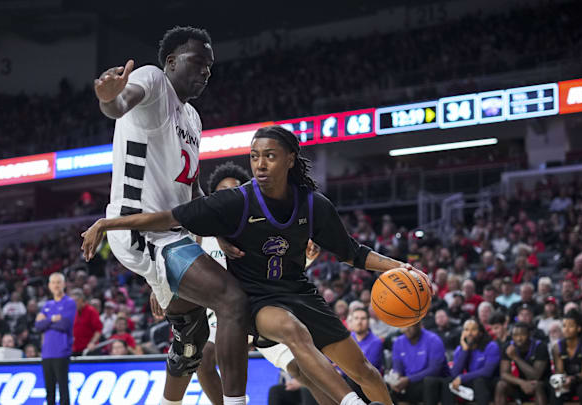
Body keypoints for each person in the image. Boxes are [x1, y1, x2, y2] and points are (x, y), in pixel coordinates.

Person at [81, 125, 434, 405]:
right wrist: (108, 223)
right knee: (290, 335)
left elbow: (352, 252)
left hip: (299, 292)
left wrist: (397, 266)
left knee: (367, 373)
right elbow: (168, 218)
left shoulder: (314, 205)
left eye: (270, 156)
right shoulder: (235, 202)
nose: (260, 164)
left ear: (291, 159)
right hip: (256, 300)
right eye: (254, 157)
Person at [94, 25, 250, 405]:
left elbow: (192, 190)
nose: (206, 72)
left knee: (192, 339)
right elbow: (120, 103)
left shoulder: (193, 119)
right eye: (198, 62)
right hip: (139, 229)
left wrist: (214, 231)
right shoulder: (152, 79)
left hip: (172, 234)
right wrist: (107, 98)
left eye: (210, 67)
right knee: (232, 300)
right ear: (171, 61)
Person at [185, 162, 332, 405]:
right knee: (203, 359)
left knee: (299, 370)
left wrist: (304, 259)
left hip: (258, 304)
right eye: (222, 191)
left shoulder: (257, 228)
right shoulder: (203, 233)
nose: (228, 195)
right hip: (223, 313)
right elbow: (182, 267)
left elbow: (275, 269)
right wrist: (161, 293)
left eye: (234, 190)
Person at [424, 318, 500, 405]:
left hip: (489, 382)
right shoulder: (461, 349)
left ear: (480, 332)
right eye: (466, 330)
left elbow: (487, 372)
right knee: (448, 381)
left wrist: (462, 378)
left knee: (479, 381)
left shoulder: (491, 346)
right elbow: (454, 374)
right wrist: (465, 350)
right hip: (471, 382)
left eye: (473, 329)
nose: (470, 333)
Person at [36, 273, 76, 405]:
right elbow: (38, 326)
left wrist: (46, 321)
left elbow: (65, 324)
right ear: (49, 286)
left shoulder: (69, 303)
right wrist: (53, 319)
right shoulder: (47, 305)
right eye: (53, 282)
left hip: (61, 351)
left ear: (64, 284)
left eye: (58, 282)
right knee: (49, 391)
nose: (56, 285)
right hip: (46, 353)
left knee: (63, 390)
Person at [389, 321, 449, 405]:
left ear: (419, 324)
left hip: (429, 383)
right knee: (386, 387)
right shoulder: (398, 342)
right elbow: (397, 367)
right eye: (404, 326)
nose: (406, 329)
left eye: (410, 326)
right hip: (408, 384)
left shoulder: (434, 339)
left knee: (429, 382)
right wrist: (395, 379)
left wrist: (409, 379)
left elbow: (434, 370)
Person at [549, 309, 582, 405]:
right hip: (568, 381)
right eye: (564, 326)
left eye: (571, 326)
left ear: (579, 328)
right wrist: (561, 381)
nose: (566, 329)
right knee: (555, 387)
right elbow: (559, 371)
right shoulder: (557, 347)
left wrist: (572, 380)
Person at [494, 322, 550, 405]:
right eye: (515, 335)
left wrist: (515, 357)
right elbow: (504, 374)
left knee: (537, 385)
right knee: (501, 385)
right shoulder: (508, 346)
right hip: (520, 384)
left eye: (522, 335)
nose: (518, 338)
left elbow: (536, 376)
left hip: (542, 384)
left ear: (529, 334)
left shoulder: (540, 346)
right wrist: (522, 383)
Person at [345, 307, 384, 401]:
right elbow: (331, 361)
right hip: (346, 378)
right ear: (351, 321)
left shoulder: (376, 342)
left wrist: (340, 366)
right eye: (356, 318)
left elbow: (364, 368)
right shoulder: (346, 340)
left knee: (352, 379)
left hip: (368, 383)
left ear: (368, 322)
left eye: (363, 318)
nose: (359, 322)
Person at [69, 289, 102, 355]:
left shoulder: (91, 311)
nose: (73, 303)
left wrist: (92, 342)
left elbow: (98, 330)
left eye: (75, 301)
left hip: (89, 350)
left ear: (82, 300)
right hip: (75, 349)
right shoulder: (73, 312)